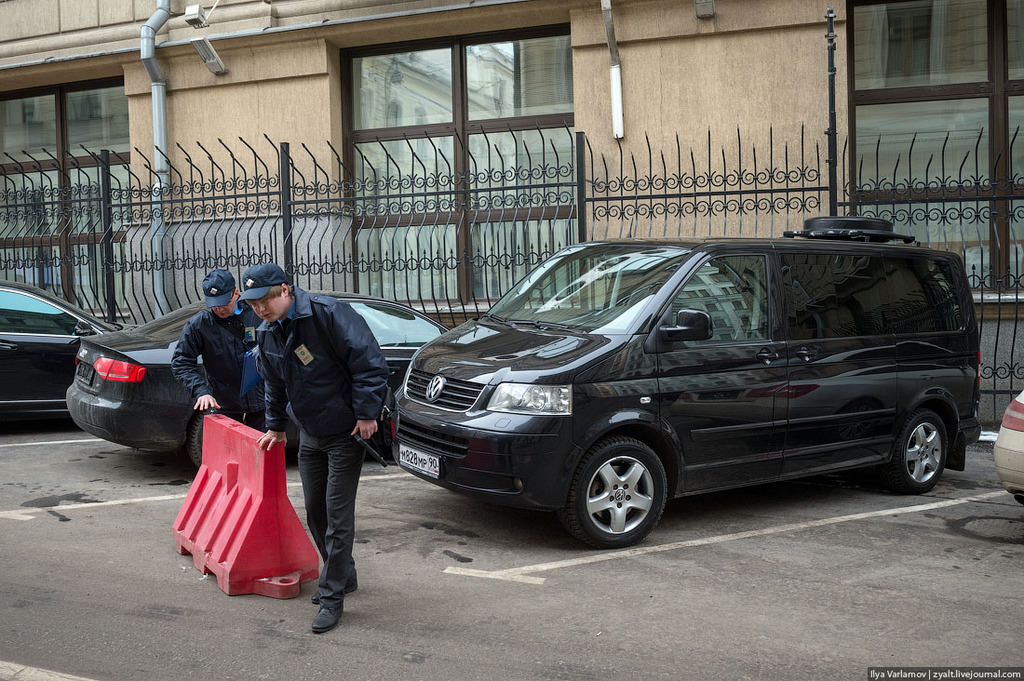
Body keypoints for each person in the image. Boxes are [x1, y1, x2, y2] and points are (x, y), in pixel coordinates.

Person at [238, 262, 389, 635]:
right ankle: (345, 573)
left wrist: (367, 413)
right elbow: (273, 383)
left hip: (345, 434)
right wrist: (275, 425)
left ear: (285, 290)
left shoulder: (329, 314)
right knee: (316, 514)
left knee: (338, 519)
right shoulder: (268, 333)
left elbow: (369, 364)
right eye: (253, 303)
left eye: (265, 300)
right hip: (310, 434)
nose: (260, 309)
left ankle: (332, 595)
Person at [171, 269, 265, 434]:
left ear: (235, 293)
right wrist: (201, 392)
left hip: (262, 402)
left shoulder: (257, 313)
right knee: (230, 455)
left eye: (223, 304)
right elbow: (181, 362)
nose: (219, 309)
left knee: (262, 455)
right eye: (214, 305)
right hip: (224, 404)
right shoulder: (200, 324)